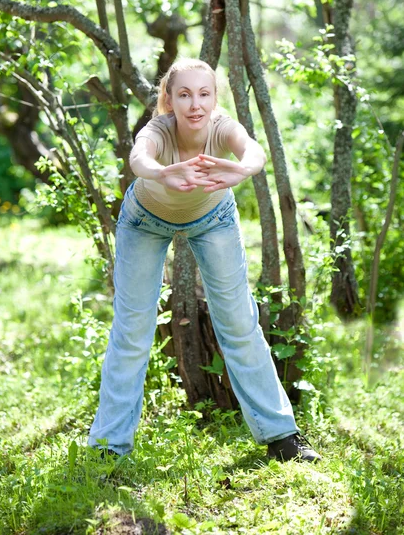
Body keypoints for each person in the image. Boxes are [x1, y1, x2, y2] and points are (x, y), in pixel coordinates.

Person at [88, 58, 320, 463]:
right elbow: (139, 158)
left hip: (213, 219)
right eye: (184, 94)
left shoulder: (221, 125)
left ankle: (282, 437)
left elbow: (252, 149)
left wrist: (241, 171)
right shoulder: (158, 130)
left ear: (214, 97)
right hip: (144, 221)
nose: (195, 104)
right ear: (170, 99)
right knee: (132, 330)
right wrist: (162, 173)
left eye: (204, 93)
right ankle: (109, 448)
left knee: (239, 322)